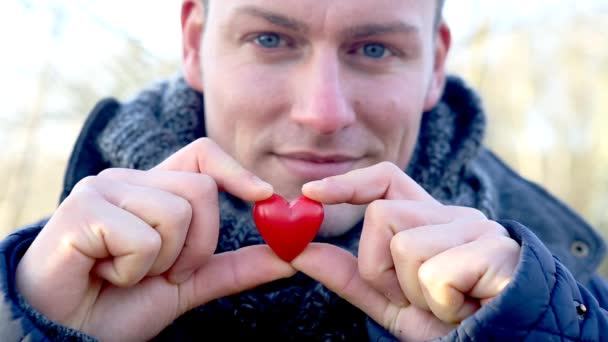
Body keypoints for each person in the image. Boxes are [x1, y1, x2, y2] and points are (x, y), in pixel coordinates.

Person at [2, 0, 607, 340]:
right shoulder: (45, 279)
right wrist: (33, 329)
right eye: (270, 39)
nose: (322, 113)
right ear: (193, 43)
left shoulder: (558, 302)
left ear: (434, 65)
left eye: (374, 49)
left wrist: (525, 333)